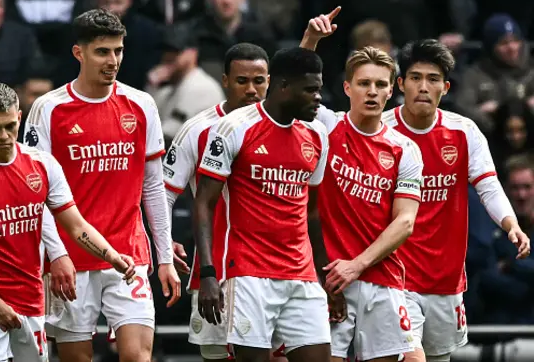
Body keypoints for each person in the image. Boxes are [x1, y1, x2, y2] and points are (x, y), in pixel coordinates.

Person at [23, 8, 180, 362]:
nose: (113, 61)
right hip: (70, 259)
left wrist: (165, 257)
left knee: (138, 356)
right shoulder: (48, 110)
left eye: (118, 51)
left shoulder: (141, 105)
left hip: (129, 253)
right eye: (102, 52)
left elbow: (153, 187)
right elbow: (37, 195)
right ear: (79, 52)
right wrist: (56, 255)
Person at [0, 82, 135, 362]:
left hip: (31, 298)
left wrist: (112, 256)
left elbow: (76, 226)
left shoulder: (43, 164)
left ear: (19, 118)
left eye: (10, 126)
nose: (4, 136)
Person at [381, 40, 530, 362]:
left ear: (445, 87)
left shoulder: (464, 131)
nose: (423, 86)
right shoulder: (380, 131)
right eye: (415, 77)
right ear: (400, 84)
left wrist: (510, 224)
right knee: (408, 357)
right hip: (392, 275)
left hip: (445, 278)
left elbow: (488, 186)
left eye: (432, 79)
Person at [194, 47, 332, 362]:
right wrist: (208, 273)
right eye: (310, 90)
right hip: (248, 273)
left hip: (302, 274)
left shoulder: (318, 134)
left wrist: (323, 277)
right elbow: (205, 202)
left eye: (319, 89)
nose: (318, 98)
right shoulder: (234, 127)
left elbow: (312, 212)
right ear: (283, 87)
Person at [313, 47, 424, 362]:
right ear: (347, 88)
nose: (372, 91)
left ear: (391, 90)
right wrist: (311, 39)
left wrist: (357, 264)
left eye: (379, 84)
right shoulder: (326, 126)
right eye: (363, 83)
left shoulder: (405, 149)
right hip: (328, 278)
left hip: (379, 277)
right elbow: (293, 77)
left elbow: (404, 222)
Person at [163, 42, 270, 362]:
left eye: (259, 81)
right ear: (224, 81)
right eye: (241, 81)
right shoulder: (197, 129)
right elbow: (163, 192)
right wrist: (164, 240)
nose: (251, 90)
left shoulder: (291, 127)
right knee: (216, 355)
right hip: (217, 269)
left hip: (278, 270)